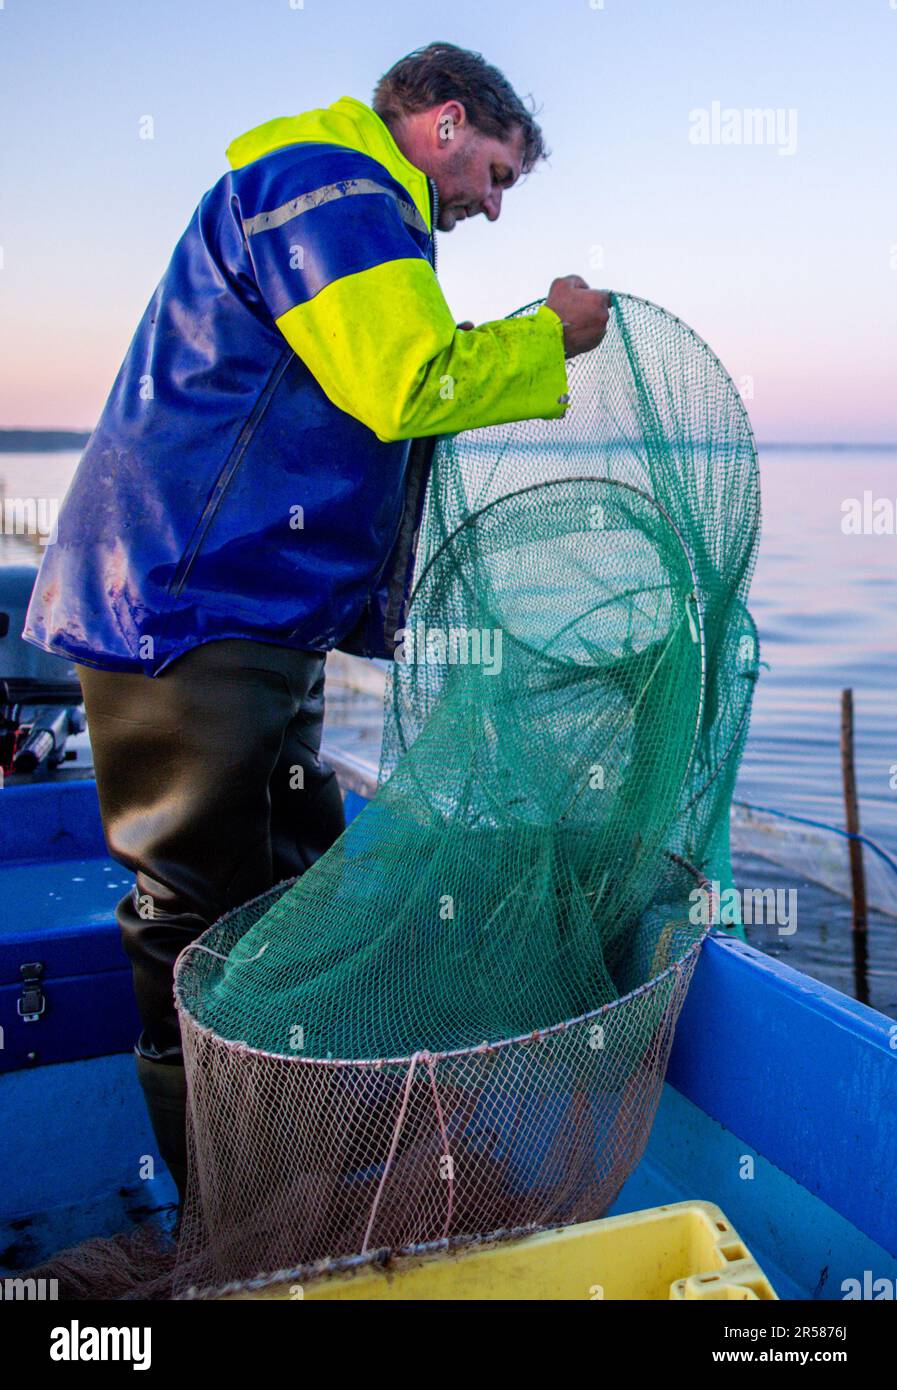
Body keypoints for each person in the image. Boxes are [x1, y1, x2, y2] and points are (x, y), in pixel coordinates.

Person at [22, 41, 609, 1205]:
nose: (491, 206)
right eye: (495, 172)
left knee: (287, 884)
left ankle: (296, 1155)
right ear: (444, 122)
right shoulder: (334, 187)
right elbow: (405, 381)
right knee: (194, 916)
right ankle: (229, 1212)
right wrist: (550, 333)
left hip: (251, 615)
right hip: (188, 608)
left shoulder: (353, 203)